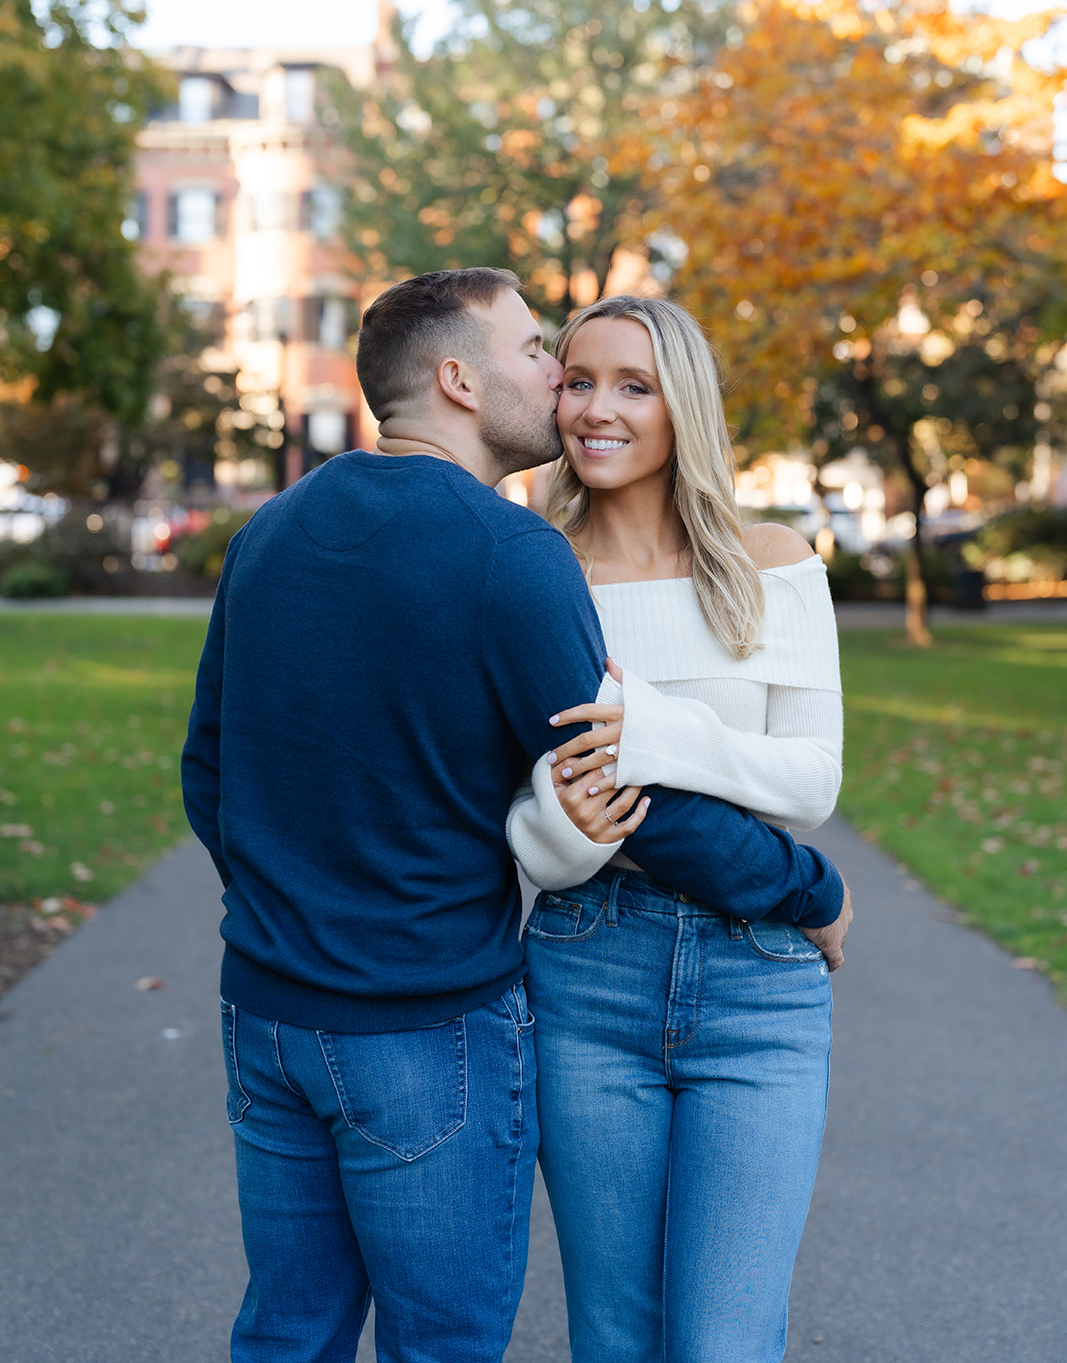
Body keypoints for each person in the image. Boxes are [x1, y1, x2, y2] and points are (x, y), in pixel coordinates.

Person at [181, 267, 847, 1363]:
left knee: (288, 1329)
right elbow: (630, 803)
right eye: (540, 352)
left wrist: (288, 909)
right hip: (427, 1017)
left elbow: (211, 768)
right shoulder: (512, 552)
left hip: (266, 1012)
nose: (559, 385)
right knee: (443, 1342)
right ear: (456, 377)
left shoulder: (271, 529)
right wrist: (808, 886)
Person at [508, 294, 850, 1363]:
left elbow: (807, 783)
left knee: (723, 1339)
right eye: (575, 380)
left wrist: (644, 731)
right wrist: (563, 835)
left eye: (631, 384)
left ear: (680, 407)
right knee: (614, 1335)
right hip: (583, 966)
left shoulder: (772, 561)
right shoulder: (529, 569)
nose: (594, 409)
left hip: (758, 982)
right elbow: (524, 819)